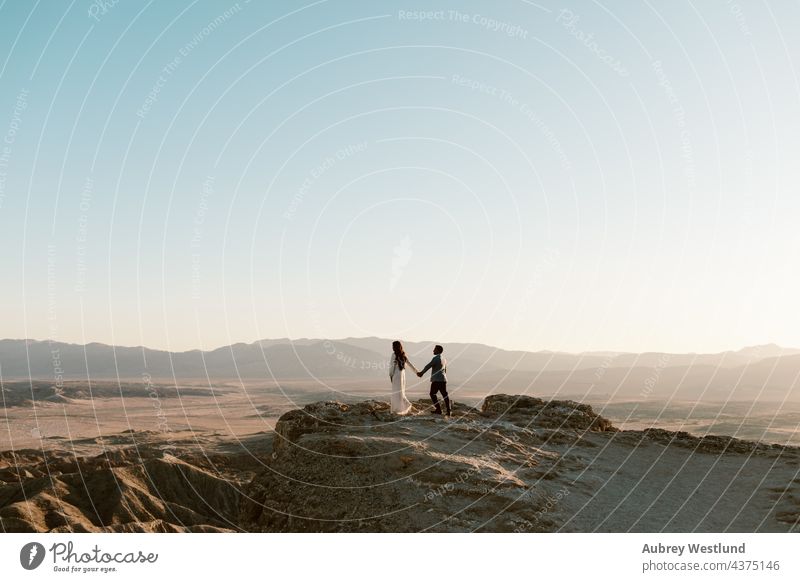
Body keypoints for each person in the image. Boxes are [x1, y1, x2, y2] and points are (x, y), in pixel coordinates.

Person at [417, 344, 450, 416]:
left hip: (436, 380)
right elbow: (445, 370)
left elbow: (428, 366)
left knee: (432, 394)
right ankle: (448, 411)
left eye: (434, 349)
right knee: (445, 395)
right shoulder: (444, 359)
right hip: (443, 380)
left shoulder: (436, 358)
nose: (433, 350)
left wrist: (421, 373)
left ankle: (438, 410)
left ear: (438, 350)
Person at [389, 340, 419, 415]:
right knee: (401, 392)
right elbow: (409, 364)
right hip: (402, 375)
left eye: (393, 346)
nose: (392, 348)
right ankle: (402, 407)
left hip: (396, 375)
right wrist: (416, 372)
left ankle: (398, 408)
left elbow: (391, 367)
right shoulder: (403, 355)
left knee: (396, 392)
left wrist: (390, 375)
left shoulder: (394, 355)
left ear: (395, 347)